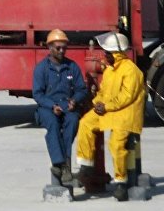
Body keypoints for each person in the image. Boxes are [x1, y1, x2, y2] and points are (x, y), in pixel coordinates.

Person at [75, 31, 146, 201]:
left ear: (118, 53)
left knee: (116, 144)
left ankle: (121, 182)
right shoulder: (109, 70)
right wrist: (97, 103)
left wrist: (105, 106)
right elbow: (103, 92)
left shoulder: (131, 70)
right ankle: (86, 166)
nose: (104, 55)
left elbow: (126, 97)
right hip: (109, 110)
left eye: (108, 52)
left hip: (125, 113)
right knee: (85, 122)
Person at [33, 29, 88, 184]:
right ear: (50, 48)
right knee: (53, 125)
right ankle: (63, 165)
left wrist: (75, 101)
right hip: (47, 108)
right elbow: (37, 94)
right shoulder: (41, 68)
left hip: (68, 106)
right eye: (58, 48)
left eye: (64, 47)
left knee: (72, 122)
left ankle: (58, 165)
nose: (62, 50)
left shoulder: (72, 67)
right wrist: (52, 106)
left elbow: (81, 89)